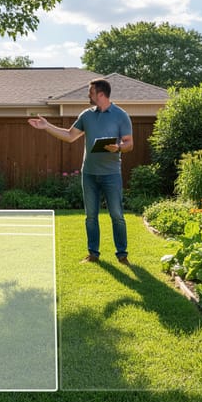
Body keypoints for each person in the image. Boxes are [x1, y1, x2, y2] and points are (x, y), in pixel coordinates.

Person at [28, 78, 134, 265]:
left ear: (101, 94)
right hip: (89, 174)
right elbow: (70, 136)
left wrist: (117, 147)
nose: (89, 95)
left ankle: (122, 255)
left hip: (111, 174)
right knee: (91, 216)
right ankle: (93, 253)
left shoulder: (121, 115)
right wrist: (47, 127)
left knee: (117, 215)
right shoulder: (86, 115)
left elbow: (129, 143)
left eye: (91, 92)